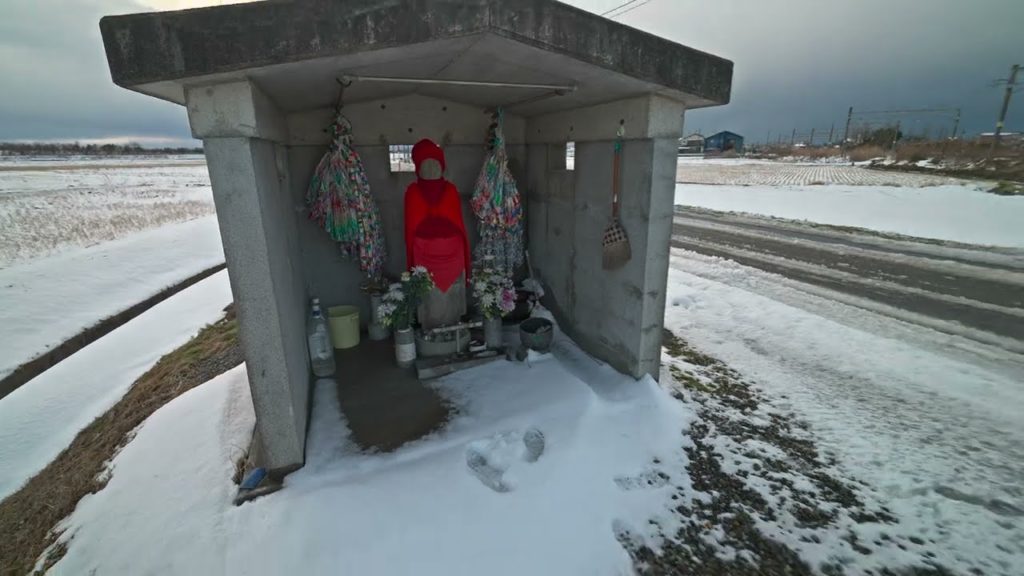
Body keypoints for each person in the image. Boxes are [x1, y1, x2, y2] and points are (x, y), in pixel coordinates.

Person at [404, 139, 470, 328]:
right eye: (428, 164)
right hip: (445, 252)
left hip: (427, 253)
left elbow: (409, 231)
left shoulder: (414, 192)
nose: (431, 169)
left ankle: (435, 328)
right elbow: (459, 225)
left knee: (434, 294)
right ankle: (449, 326)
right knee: (442, 293)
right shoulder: (448, 190)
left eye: (434, 164)